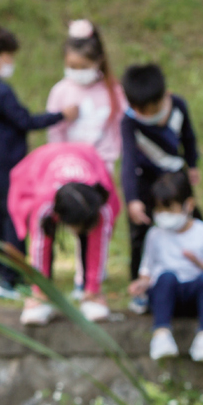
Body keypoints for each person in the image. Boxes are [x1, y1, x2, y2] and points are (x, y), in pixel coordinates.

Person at [0, 22, 78, 300]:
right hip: (5, 169)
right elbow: (25, 121)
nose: (11, 62)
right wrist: (61, 115)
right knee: (14, 221)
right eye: (8, 56)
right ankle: (10, 278)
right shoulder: (0, 92)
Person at [45, 19, 127, 300]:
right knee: (74, 218)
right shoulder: (61, 91)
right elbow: (54, 131)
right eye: (72, 66)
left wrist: (111, 162)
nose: (77, 72)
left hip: (100, 169)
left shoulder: (113, 91)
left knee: (97, 222)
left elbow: (119, 130)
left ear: (98, 61)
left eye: (83, 66)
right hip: (69, 168)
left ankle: (90, 277)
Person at [120, 64, 203, 315]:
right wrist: (132, 199)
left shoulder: (178, 106)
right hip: (145, 181)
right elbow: (128, 162)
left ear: (164, 95)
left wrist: (192, 164)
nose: (147, 115)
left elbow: (189, 137)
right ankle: (141, 289)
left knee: (194, 223)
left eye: (152, 109)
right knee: (140, 234)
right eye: (141, 110)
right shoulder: (129, 122)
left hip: (175, 176)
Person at [8, 143, 120, 325]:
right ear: (59, 217)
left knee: (91, 241)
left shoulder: (99, 201)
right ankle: (42, 297)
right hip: (41, 165)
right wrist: (39, 289)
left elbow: (99, 244)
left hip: (86, 157)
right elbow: (39, 246)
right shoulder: (45, 203)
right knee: (45, 240)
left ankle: (90, 295)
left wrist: (93, 288)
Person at [127, 172, 203, 361]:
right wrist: (141, 283)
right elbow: (147, 269)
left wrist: (197, 262)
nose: (164, 215)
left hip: (195, 296)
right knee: (166, 277)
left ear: (189, 205)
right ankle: (161, 334)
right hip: (166, 295)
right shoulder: (155, 234)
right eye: (159, 209)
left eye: (169, 209)